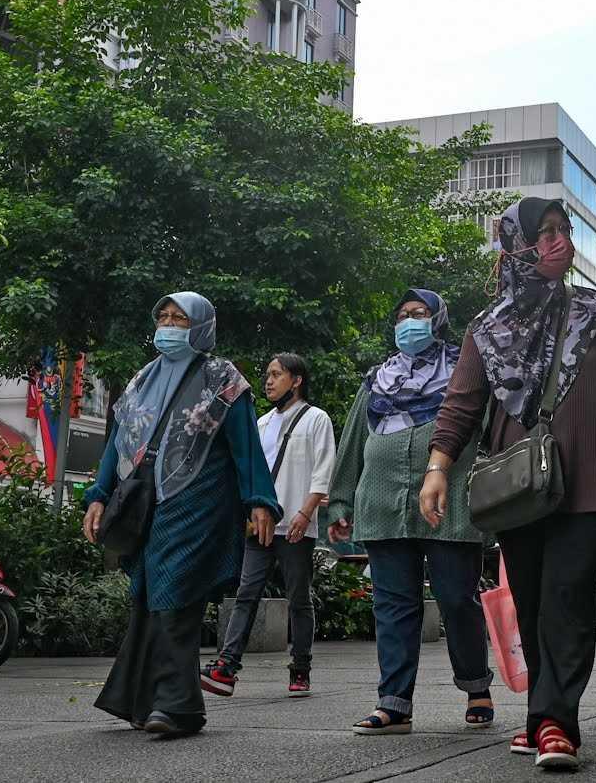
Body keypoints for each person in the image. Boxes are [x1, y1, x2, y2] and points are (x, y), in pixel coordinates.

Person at [425, 198, 596, 770]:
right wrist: (438, 467)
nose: (560, 242)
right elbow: (461, 405)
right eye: (545, 233)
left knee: (565, 598)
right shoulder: (486, 329)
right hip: (518, 491)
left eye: (564, 231)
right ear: (516, 246)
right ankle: (542, 714)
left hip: (591, 486)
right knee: (530, 605)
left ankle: (557, 722)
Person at [82, 292, 281, 736]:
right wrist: (97, 495)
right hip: (144, 502)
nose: (169, 326)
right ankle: (146, 700)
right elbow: (115, 444)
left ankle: (176, 706)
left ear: (201, 327)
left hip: (199, 500)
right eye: (164, 317)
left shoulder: (221, 377)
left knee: (175, 590)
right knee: (148, 596)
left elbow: (245, 445)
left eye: (180, 319)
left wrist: (260, 501)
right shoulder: (140, 380)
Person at [327, 289, 494, 736]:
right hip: (382, 505)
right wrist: (341, 500)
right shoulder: (378, 379)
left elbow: (488, 430)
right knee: (393, 606)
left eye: (419, 313)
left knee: (457, 599)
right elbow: (352, 444)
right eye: (403, 315)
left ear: (438, 320)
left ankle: (477, 685)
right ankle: (394, 703)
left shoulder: (465, 371)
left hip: (451, 504)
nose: (409, 321)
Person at [201, 353, 335, 698]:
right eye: (267, 375)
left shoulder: (316, 419)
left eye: (276, 374)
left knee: (299, 599)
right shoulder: (259, 424)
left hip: (295, 525)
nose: (269, 381)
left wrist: (304, 515)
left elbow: (323, 471)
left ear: (297, 380)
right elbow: (248, 473)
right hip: (260, 526)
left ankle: (300, 668)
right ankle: (227, 667)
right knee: (246, 595)